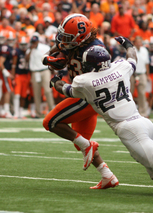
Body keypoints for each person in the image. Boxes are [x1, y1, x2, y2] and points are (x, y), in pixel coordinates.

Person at [50, 36, 153, 199]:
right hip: (143, 122)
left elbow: (64, 89)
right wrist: (128, 44)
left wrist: (55, 79)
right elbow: (132, 57)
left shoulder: (85, 81)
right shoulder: (120, 67)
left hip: (128, 129)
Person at [41, 14, 118, 189]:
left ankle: (88, 146)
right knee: (81, 142)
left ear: (80, 37)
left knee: (50, 122)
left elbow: (95, 82)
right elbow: (55, 50)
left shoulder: (95, 51)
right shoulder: (75, 43)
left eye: (67, 38)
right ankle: (108, 176)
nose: (63, 41)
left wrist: (59, 76)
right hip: (81, 95)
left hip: (88, 96)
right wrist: (49, 58)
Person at [25, 34, 55, 118]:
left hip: (44, 71)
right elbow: (26, 59)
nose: (34, 43)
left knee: (48, 91)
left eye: (35, 41)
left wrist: (52, 69)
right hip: (35, 72)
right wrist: (31, 50)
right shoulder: (30, 50)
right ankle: (38, 112)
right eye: (33, 42)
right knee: (36, 93)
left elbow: (50, 58)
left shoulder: (45, 47)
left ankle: (52, 111)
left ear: (38, 41)